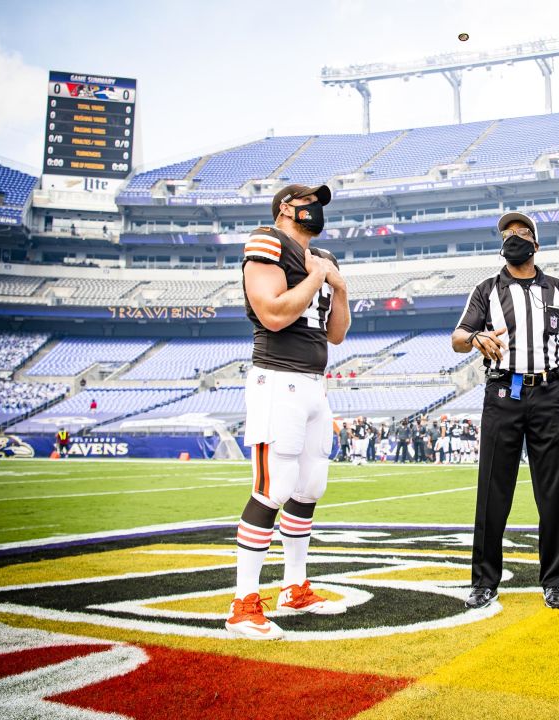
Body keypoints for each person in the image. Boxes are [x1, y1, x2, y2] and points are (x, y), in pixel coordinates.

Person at [452, 210, 559, 612]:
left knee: (553, 493)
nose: (514, 236)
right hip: (503, 395)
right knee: (493, 492)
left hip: (548, 393)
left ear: (536, 243)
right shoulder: (486, 290)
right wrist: (477, 337)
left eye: (522, 231)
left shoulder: (558, 290)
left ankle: (553, 581)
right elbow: (458, 337)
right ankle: (483, 582)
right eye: (507, 233)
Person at [226, 183, 349, 640]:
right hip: (277, 380)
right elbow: (274, 314)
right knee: (272, 487)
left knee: (310, 485)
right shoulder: (267, 241)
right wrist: (318, 277)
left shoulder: (325, 258)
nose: (316, 210)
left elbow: (336, 335)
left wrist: (340, 288)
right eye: (308, 202)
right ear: (285, 208)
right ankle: (242, 604)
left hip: (315, 384)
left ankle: (295, 587)